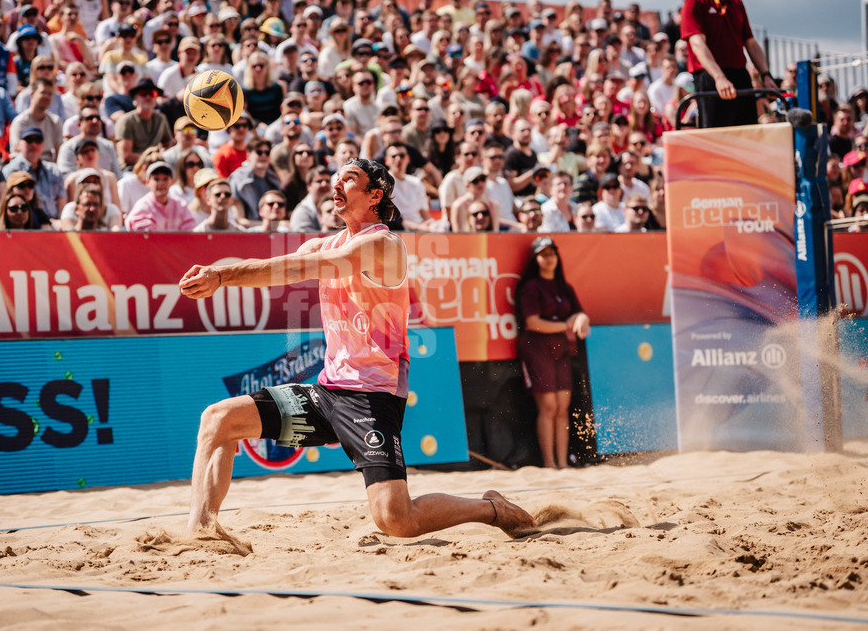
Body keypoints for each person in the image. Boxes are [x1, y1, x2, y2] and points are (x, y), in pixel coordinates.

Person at [179, 157, 535, 540]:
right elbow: (278, 269)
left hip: (371, 398)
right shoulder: (327, 242)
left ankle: (492, 508)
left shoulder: (384, 245)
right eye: (335, 177)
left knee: (396, 520)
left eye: (349, 179)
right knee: (218, 419)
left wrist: (223, 275)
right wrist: (219, 275)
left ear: (374, 196)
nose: (336, 184)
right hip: (327, 392)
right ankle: (201, 531)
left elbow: (302, 268)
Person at [515, 236, 589, 470]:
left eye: (552, 253)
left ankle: (563, 462)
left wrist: (582, 318)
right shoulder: (530, 287)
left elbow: (580, 313)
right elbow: (533, 323)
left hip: (561, 348)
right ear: (536, 259)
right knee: (548, 407)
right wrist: (567, 324)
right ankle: (549, 463)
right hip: (537, 347)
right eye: (543, 254)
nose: (549, 258)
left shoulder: (564, 287)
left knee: (561, 407)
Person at [680, 0, 776, 128]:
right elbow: (697, 43)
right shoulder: (694, 3)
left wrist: (766, 75)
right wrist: (719, 77)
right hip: (710, 77)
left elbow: (750, 42)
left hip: (739, 74)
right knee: (717, 135)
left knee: (747, 131)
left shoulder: (736, 4)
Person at [125, 160, 196, 231]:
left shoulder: (181, 205)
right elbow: (145, 238)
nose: (161, 183)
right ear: (148, 182)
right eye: (156, 179)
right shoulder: (143, 206)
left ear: (172, 182)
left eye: (165, 179)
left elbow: (189, 232)